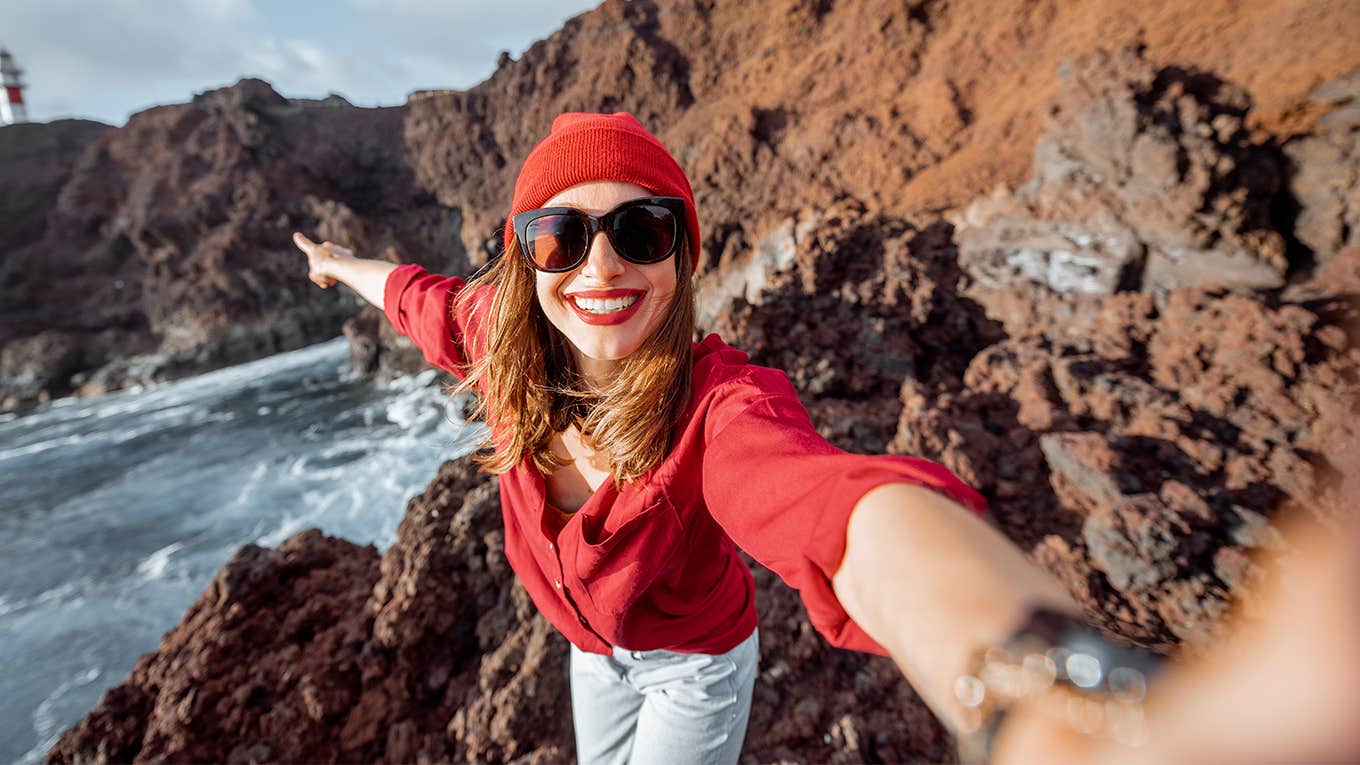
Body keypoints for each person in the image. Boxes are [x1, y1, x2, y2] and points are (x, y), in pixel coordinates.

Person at [293, 112, 1083, 764]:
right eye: (559, 237)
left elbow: (835, 509)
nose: (599, 267)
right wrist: (336, 264)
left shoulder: (719, 409)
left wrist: (1049, 688)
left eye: (640, 230)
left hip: (694, 665)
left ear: (683, 255)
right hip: (589, 647)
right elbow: (410, 295)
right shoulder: (497, 347)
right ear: (522, 262)